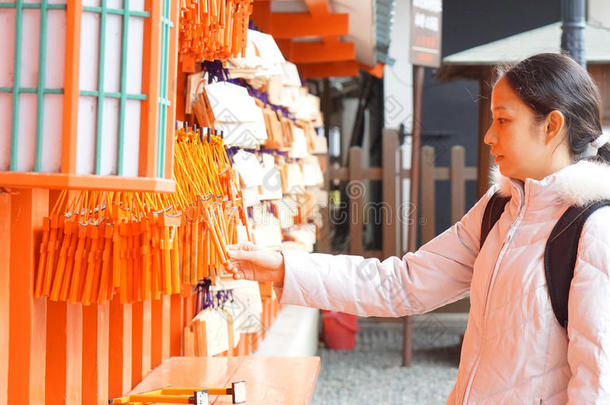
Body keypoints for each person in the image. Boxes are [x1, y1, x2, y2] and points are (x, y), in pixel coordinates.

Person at [225, 53, 610, 404]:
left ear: (552, 126)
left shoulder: (593, 229)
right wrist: (285, 267)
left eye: (503, 120)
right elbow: (402, 284)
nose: (489, 135)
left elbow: (597, 381)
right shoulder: (499, 210)